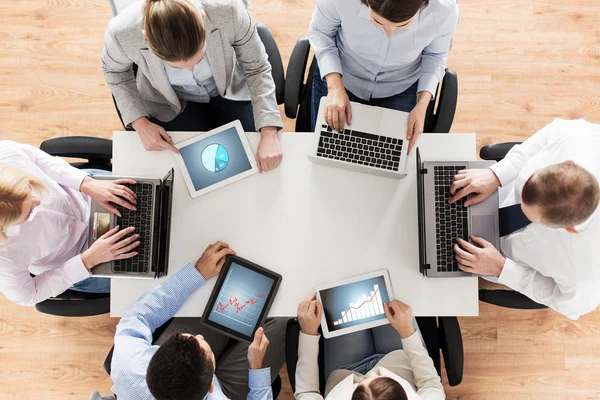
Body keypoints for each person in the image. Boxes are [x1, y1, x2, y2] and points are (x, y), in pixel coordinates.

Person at [102, 0, 284, 173]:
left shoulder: (229, 10)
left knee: (249, 159)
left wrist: (269, 131)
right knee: (181, 170)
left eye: (197, 56)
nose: (190, 68)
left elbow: (257, 68)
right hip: (168, 102)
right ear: (146, 37)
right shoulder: (122, 32)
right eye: (175, 64)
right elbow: (115, 72)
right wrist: (140, 124)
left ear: (202, 19)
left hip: (229, 89)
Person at [448, 118, 600, 320]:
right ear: (567, 163)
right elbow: (548, 135)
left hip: (496, 257)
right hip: (492, 193)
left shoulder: (587, 274)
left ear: (570, 228)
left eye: (533, 217)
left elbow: (563, 301)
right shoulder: (579, 139)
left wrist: (500, 268)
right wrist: (497, 175)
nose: (520, 207)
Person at [110, 241, 286, 400]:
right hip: (225, 392)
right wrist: (256, 367)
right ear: (210, 387)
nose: (200, 336)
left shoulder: (129, 363)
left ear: (154, 356)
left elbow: (138, 315)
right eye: (203, 344)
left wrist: (197, 274)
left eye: (191, 338)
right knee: (283, 322)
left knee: (216, 296)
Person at [309, 0, 459, 154]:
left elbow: (435, 55)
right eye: (377, 22)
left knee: (390, 158)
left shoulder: (444, 10)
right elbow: (321, 33)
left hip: (401, 85)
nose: (389, 33)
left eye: (402, 26)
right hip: (343, 75)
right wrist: (334, 87)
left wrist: (422, 105)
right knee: (327, 151)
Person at [0, 141, 139, 305]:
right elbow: (29, 295)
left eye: (31, 190)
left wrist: (87, 183)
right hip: (83, 257)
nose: (38, 202)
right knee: (160, 279)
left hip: (87, 193)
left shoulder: (5, 154)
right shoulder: (3, 257)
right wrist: (88, 260)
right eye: (28, 211)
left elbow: (37, 158)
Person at [294, 294, 444, 399]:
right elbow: (430, 384)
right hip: (397, 360)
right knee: (389, 292)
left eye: (359, 385)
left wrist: (309, 332)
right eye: (380, 378)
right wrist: (406, 332)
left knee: (341, 295)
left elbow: (307, 392)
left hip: (346, 370)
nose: (373, 373)